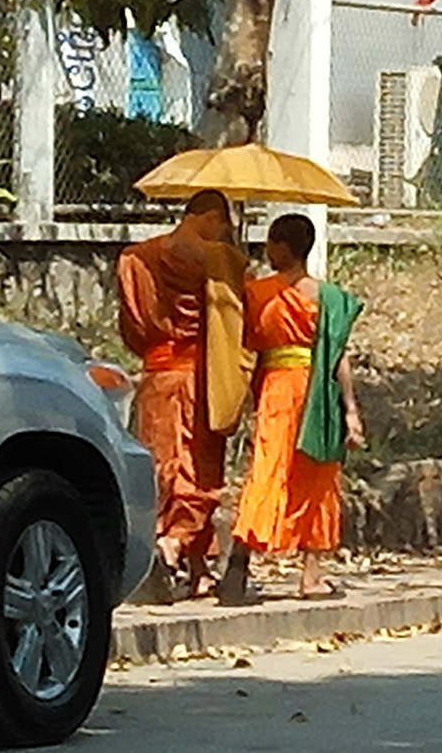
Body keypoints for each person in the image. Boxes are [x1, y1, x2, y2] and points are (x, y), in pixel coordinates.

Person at [218, 214, 366, 603]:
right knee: (315, 476)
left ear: (285, 247)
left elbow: (247, 346)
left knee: (268, 471)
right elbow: (338, 359)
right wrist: (350, 410)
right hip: (315, 392)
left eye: (270, 242)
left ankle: (239, 565)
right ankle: (310, 577)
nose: (266, 249)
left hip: (276, 389)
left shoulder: (258, 293)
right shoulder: (328, 298)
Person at [117, 190, 252, 599]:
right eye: (222, 223)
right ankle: (171, 546)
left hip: (155, 374)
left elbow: (131, 326)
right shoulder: (219, 259)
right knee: (199, 468)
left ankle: (196, 569)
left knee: (160, 465)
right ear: (209, 217)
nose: (223, 233)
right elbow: (236, 321)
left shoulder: (135, 258)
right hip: (200, 375)